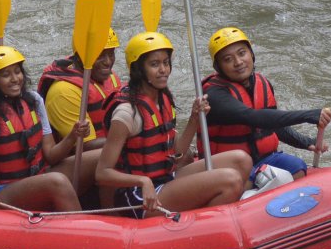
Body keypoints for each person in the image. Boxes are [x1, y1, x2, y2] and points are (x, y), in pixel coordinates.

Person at [95, 32, 251, 218]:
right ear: (138, 70)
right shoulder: (127, 113)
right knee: (230, 180)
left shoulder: (163, 99)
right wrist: (143, 181)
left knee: (241, 160)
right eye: (155, 64)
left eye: (166, 62)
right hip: (138, 196)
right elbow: (102, 173)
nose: (163, 70)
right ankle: (202, 227)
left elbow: (176, 155)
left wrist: (194, 118)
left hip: (165, 179)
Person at [0, 45, 97, 212]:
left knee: (102, 156)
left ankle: (115, 213)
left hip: (38, 177)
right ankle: (82, 232)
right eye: (5, 75)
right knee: (56, 181)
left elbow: (51, 156)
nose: (15, 79)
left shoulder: (34, 100)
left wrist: (72, 136)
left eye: (17, 72)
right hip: (2, 192)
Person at [200, 27, 331, 184]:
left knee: (298, 168)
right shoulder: (215, 94)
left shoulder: (262, 83)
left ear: (251, 54)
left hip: (264, 159)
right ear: (219, 67)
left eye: (242, 53)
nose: (238, 62)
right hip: (231, 166)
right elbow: (253, 117)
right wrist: (307, 115)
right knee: (245, 183)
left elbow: (272, 125)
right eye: (228, 59)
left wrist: (307, 142)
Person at [37, 27, 122, 150]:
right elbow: (85, 147)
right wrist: (129, 138)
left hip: (109, 147)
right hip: (75, 161)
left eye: (111, 54)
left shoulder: (110, 76)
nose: (108, 62)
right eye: (100, 55)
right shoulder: (64, 91)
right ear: (81, 55)